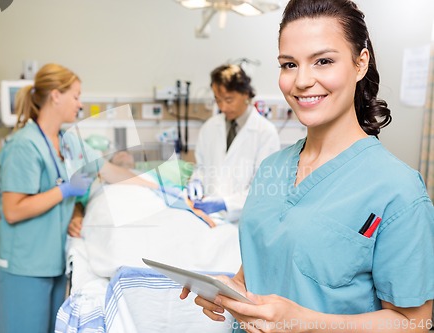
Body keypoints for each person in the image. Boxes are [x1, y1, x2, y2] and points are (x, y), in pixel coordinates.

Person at [181, 0, 434, 331]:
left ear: (360, 63)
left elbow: (416, 322)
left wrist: (307, 323)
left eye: (323, 61)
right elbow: (267, 263)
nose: (301, 81)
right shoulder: (272, 168)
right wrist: (232, 290)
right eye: (289, 64)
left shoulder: (397, 190)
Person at [0, 63, 161, 333]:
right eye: (76, 95)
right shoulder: (24, 145)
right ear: (56, 96)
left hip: (52, 261)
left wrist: (156, 186)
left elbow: (108, 170)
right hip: (23, 265)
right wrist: (65, 190)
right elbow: (13, 210)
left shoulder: (67, 142)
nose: (80, 104)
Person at [188, 64, 280, 222]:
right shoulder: (210, 127)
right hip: (209, 219)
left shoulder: (265, 133)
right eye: (218, 100)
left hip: (243, 222)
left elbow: (263, 189)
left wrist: (226, 203)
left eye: (229, 100)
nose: (223, 107)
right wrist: (196, 180)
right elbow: (202, 167)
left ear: (245, 94)